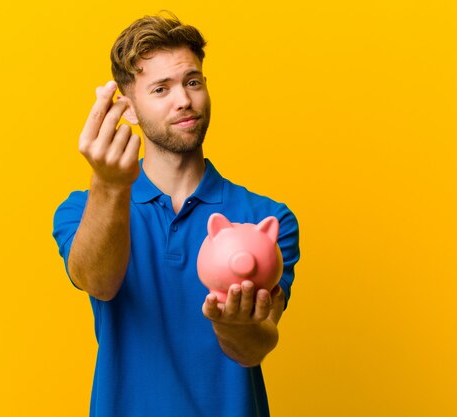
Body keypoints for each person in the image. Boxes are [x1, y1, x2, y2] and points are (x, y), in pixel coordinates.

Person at [53, 12, 300, 417]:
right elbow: (97, 282)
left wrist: (231, 323)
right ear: (128, 109)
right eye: (161, 89)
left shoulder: (266, 217)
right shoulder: (83, 209)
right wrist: (110, 185)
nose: (183, 99)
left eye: (192, 82)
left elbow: (256, 347)